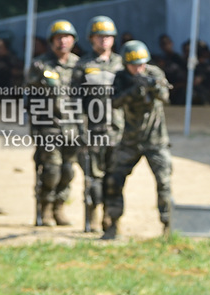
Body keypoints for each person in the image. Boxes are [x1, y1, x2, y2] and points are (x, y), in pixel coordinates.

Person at [101, 40, 173, 240]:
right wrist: (132, 90)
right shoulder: (121, 78)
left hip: (155, 140)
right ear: (126, 64)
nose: (138, 69)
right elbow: (114, 102)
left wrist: (152, 87)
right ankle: (113, 224)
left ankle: (168, 225)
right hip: (130, 140)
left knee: (164, 182)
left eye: (141, 64)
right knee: (114, 180)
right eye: (134, 66)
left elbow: (166, 97)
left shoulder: (154, 73)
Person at [25, 19, 81, 227]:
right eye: (58, 38)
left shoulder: (79, 65)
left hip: (72, 128)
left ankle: (60, 207)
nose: (63, 42)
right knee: (50, 171)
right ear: (51, 41)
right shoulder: (40, 65)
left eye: (67, 37)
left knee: (68, 171)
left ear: (73, 40)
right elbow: (29, 96)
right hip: (48, 127)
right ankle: (45, 209)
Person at [74, 15, 124, 232]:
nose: (104, 40)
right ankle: (92, 217)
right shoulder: (82, 65)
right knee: (93, 178)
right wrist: (79, 127)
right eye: (99, 36)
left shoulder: (122, 64)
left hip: (117, 130)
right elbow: (74, 100)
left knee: (114, 179)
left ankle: (111, 219)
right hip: (92, 130)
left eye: (108, 36)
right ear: (91, 39)